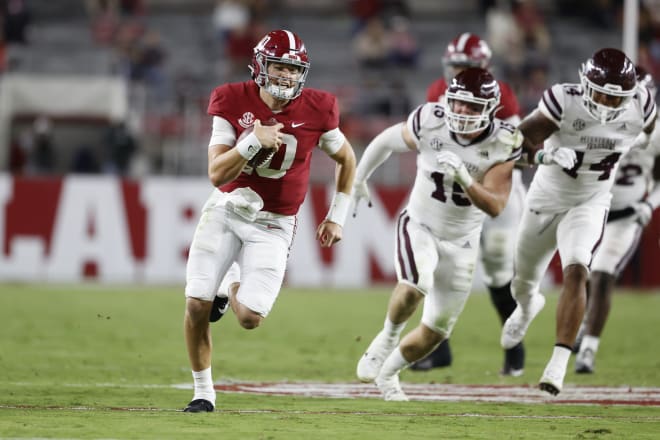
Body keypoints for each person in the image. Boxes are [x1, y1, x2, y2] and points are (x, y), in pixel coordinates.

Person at [354, 67, 554, 401]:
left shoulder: (503, 141)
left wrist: (465, 177)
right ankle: (386, 338)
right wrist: (360, 178)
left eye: (472, 107)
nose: (462, 112)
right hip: (420, 224)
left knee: (436, 331)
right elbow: (387, 140)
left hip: (463, 241)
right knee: (417, 284)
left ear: (490, 109)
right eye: (458, 103)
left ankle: (388, 377)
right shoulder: (430, 120)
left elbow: (495, 206)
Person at [182, 29, 356, 412]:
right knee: (196, 303)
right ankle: (203, 392)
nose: (286, 76)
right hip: (227, 209)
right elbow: (216, 174)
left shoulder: (319, 108)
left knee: (250, 318)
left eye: (294, 69)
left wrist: (337, 216)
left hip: (276, 221)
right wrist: (251, 141)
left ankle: (231, 284)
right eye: (279, 66)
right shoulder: (230, 99)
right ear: (260, 66)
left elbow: (347, 159)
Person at [500, 48, 657, 396]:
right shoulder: (563, 101)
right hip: (546, 198)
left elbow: (649, 135)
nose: (605, 102)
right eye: (600, 92)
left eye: (616, 97)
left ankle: (557, 365)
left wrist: (643, 147)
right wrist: (545, 154)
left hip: (591, 200)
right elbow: (511, 143)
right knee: (523, 281)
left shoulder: (642, 107)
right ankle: (527, 308)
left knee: (578, 270)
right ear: (585, 84)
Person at [413, 32, 527, 376]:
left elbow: (514, 150)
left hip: (496, 194)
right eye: (454, 66)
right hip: (452, 197)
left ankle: (514, 345)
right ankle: (438, 349)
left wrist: (475, 175)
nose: (457, 73)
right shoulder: (438, 92)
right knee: (430, 265)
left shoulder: (501, 95)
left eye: (465, 66)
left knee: (497, 272)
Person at [574, 66, 660, 374]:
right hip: (592, 209)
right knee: (579, 272)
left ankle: (588, 350)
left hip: (626, 216)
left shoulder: (656, 133)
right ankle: (583, 322)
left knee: (603, 275)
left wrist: (650, 204)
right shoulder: (598, 125)